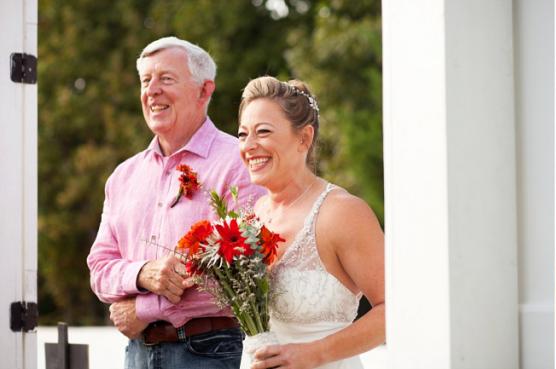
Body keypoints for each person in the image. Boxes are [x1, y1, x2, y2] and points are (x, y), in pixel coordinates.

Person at [87, 36, 263, 369]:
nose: (152, 90)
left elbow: (249, 273)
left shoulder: (240, 163)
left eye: (166, 79)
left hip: (210, 353)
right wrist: (142, 274)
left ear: (204, 90)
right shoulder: (122, 177)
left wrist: (143, 309)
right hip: (136, 354)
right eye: (145, 81)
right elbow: (99, 267)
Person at [236, 76, 384, 369]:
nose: (249, 146)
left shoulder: (342, 213)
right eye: (242, 134)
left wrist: (313, 354)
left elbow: (396, 310)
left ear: (304, 138)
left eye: (262, 132)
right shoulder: (250, 218)